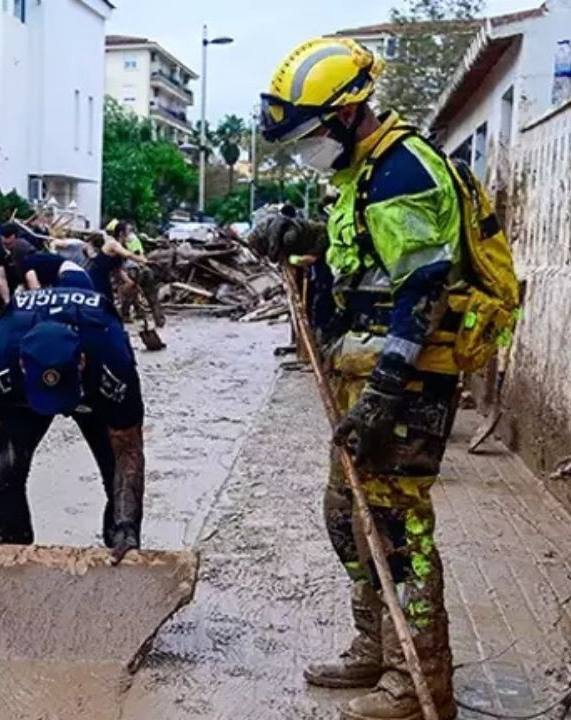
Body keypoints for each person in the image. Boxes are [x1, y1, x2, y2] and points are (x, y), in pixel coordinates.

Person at [256, 37, 472, 720]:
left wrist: (385, 389)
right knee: (348, 517)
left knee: (398, 525)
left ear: (348, 115)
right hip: (361, 372)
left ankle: (420, 682)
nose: (306, 149)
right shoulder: (364, 175)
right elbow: (366, 254)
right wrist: (304, 236)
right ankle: (375, 647)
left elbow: (426, 283)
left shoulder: (407, 169)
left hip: (404, 381)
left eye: (312, 134)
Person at [0, 286, 146, 563]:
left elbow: (128, 448)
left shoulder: (111, 358)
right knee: (4, 470)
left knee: (114, 473)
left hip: (90, 391)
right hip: (25, 394)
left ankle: (120, 547)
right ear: (22, 365)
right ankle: (12, 554)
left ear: (81, 361)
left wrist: (127, 526)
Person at [0, 222, 36, 311]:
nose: (8, 246)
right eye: (5, 244)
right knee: (5, 303)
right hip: (7, 274)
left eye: (10, 244)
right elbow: (1, 277)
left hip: (25, 273)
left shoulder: (26, 245)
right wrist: (7, 302)